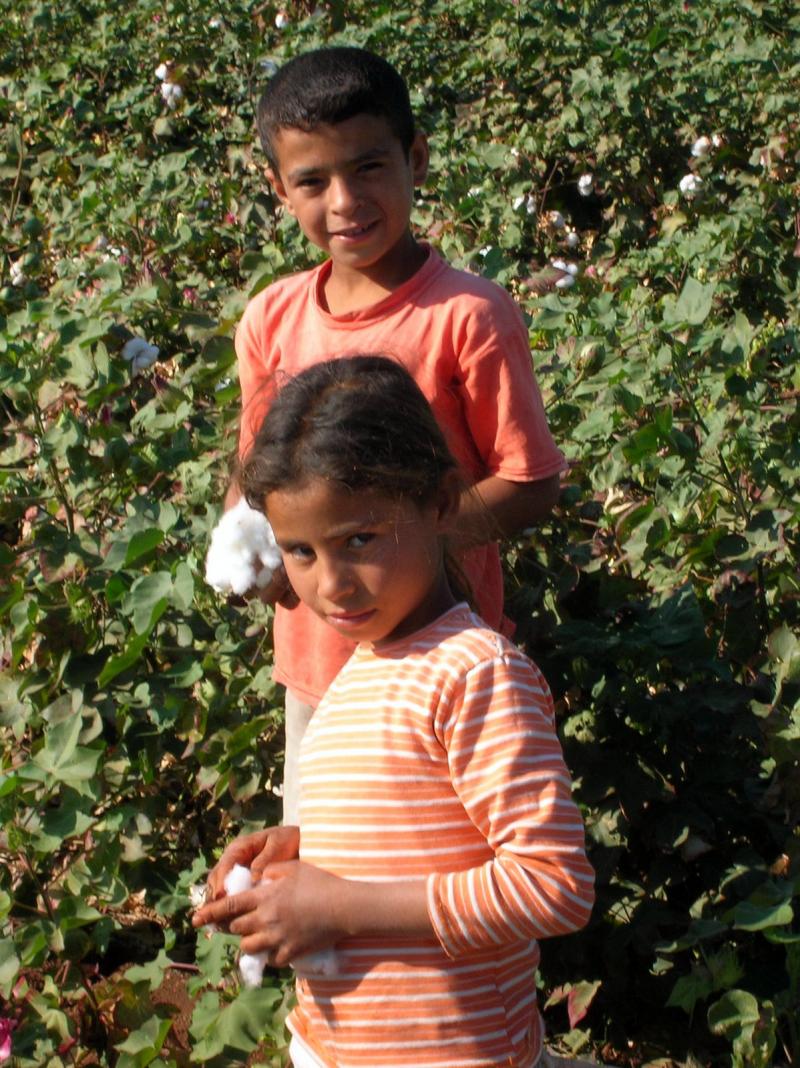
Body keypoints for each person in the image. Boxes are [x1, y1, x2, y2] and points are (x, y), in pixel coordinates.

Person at [195, 356, 594, 1068]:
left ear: (442, 504)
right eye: (300, 551)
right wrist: (298, 852)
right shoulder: (361, 673)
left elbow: (553, 886)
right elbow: (407, 837)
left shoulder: (475, 674)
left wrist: (336, 906)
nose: (332, 583)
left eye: (359, 540)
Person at [229, 45, 567, 824]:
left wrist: (413, 540)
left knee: (437, 848)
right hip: (317, 670)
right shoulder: (270, 320)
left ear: (415, 158)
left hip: (440, 664)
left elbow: (531, 482)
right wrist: (254, 547)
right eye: (313, 181)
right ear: (279, 189)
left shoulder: (467, 316)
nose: (344, 201)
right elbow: (255, 477)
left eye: (369, 167)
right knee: (325, 850)